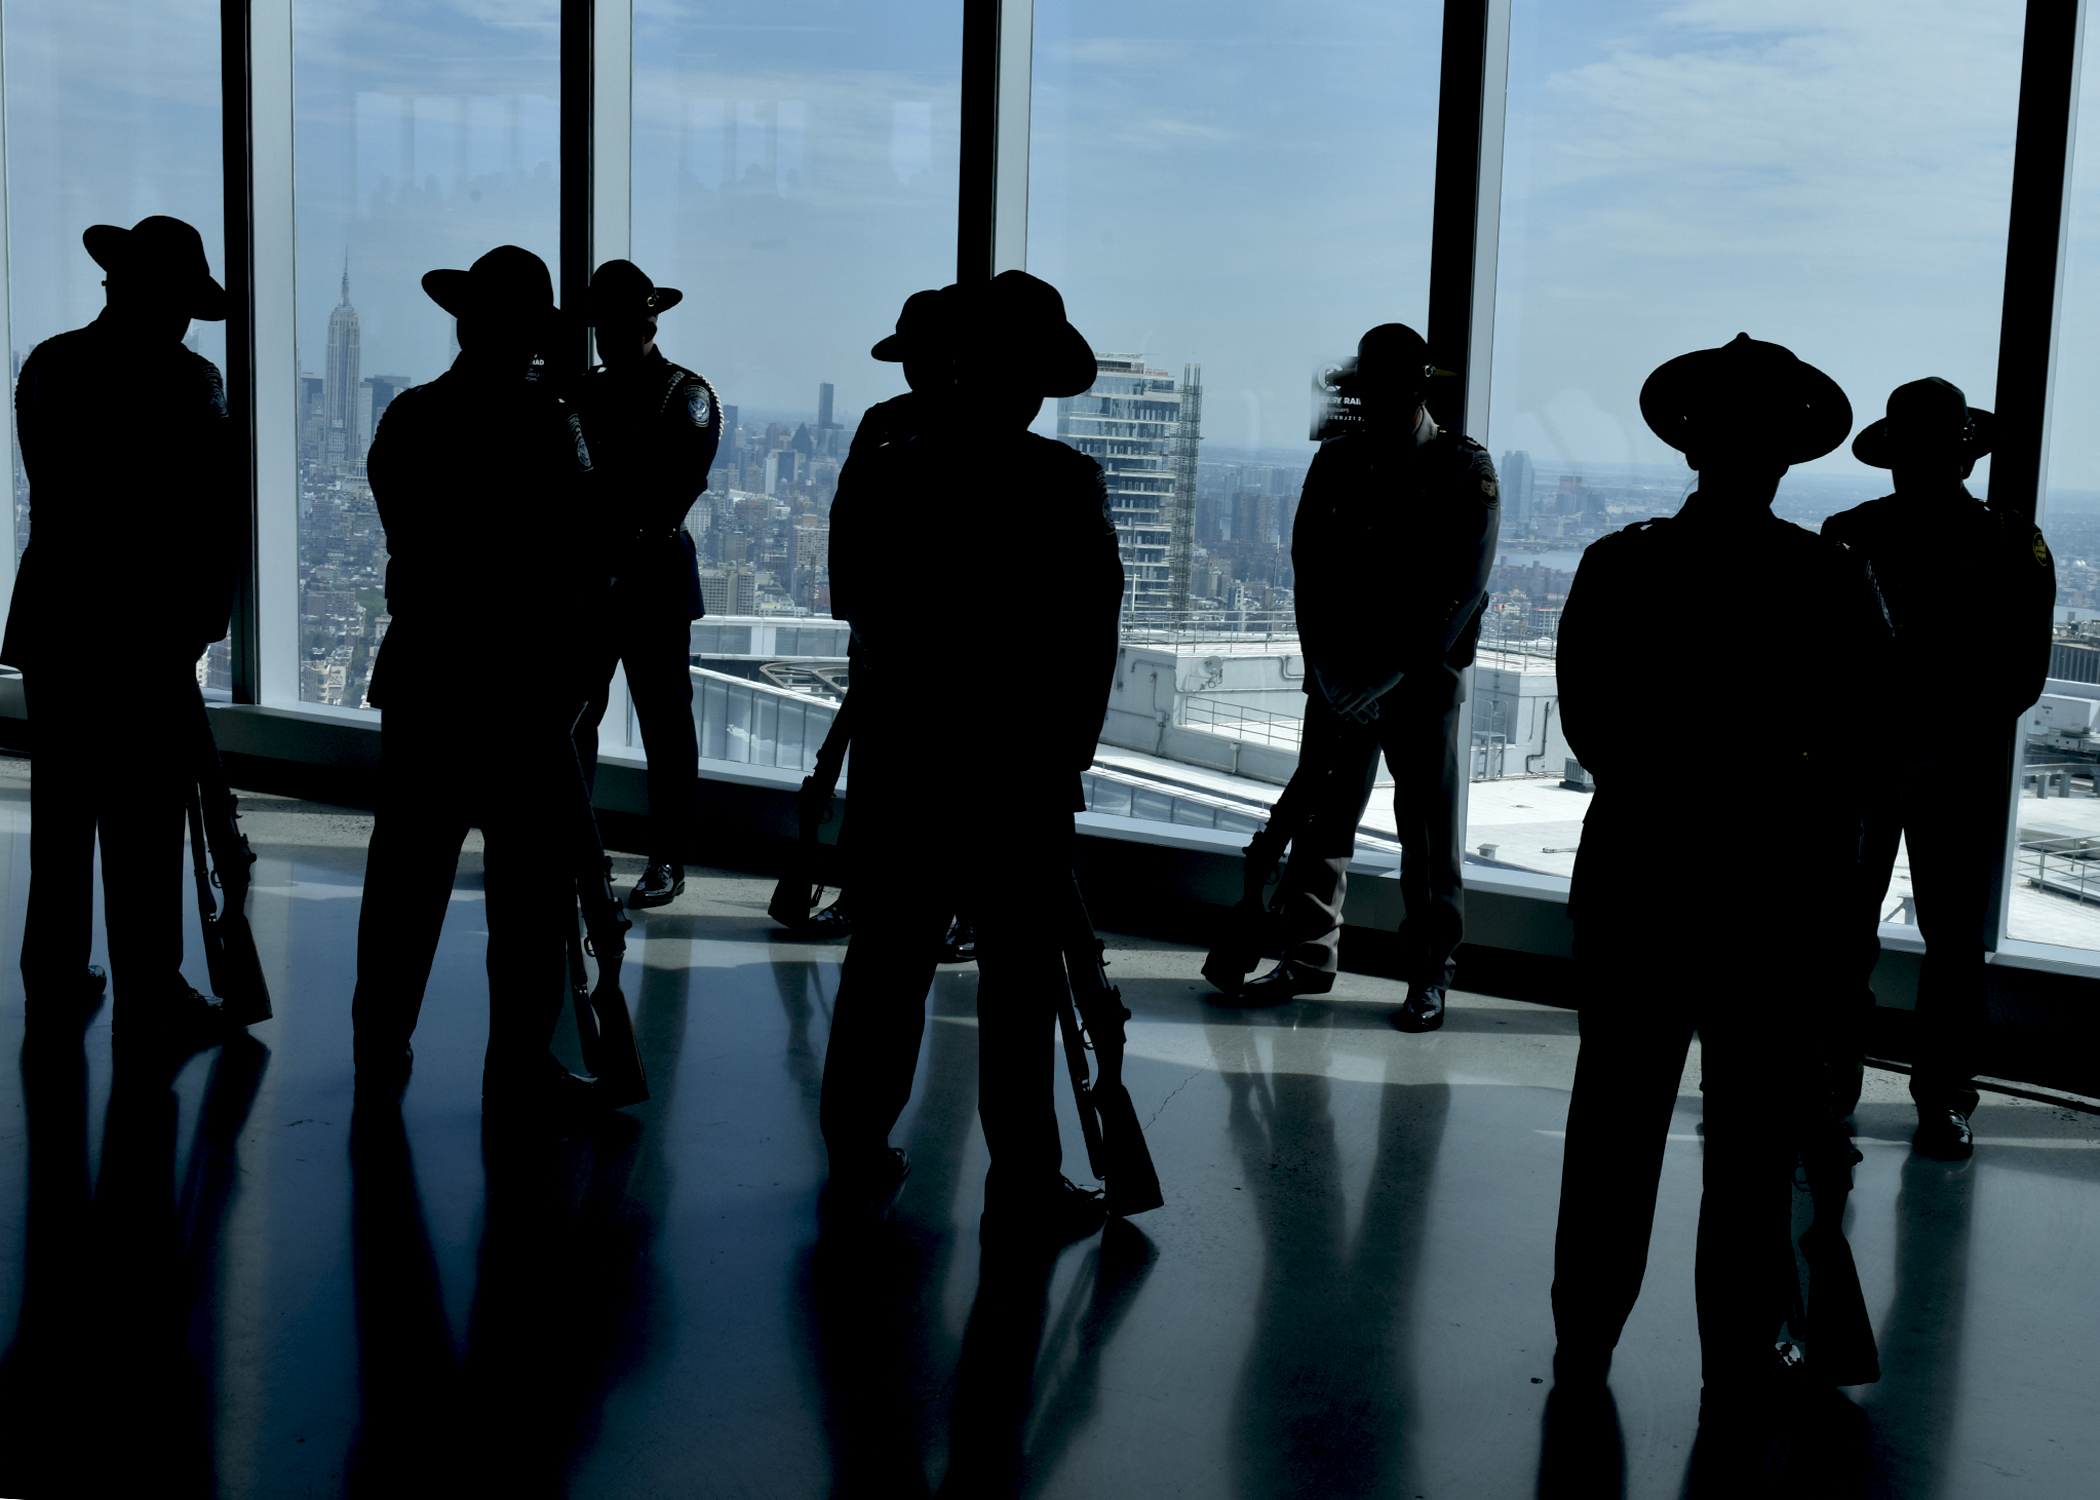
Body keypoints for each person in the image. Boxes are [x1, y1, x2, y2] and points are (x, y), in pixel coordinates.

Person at [1549, 333, 1886, 1406]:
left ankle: (1584, 1345)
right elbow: (1858, 760)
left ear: (1691, 450)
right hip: (1773, 904)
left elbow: (1595, 729)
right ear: (1788, 461)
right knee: (1750, 1149)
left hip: (1641, 883)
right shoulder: (1831, 582)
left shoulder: (1621, 564)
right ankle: (1734, 1359)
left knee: (1614, 1127)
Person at [817, 271, 1124, 1242]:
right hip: (1017, 774)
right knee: (1018, 987)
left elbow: (852, 597)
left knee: (886, 964)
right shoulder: (1064, 484)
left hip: (907, 759)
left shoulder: (889, 460)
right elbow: (1090, 646)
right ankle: (1023, 1179)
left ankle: (856, 1143)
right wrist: (1060, 758)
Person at [348, 246, 605, 1114]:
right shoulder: (553, 423)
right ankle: (519, 1063)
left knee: (403, 887)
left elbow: (406, 534)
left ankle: (379, 1045)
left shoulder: (411, 416)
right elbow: (583, 558)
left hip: (428, 675)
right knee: (529, 900)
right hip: (523, 690)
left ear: (462, 322)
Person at [4, 215, 243, 1037]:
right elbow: (212, 515)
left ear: (113, 283)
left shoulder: (47, 365)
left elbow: (50, 483)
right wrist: (200, 619)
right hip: (143, 626)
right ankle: (152, 984)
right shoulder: (189, 381)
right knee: (145, 819)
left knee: (63, 811)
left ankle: (55, 974)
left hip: (58, 614)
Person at [1236, 323, 1498, 1031]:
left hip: (1415, 687)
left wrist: (1378, 676)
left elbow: (1459, 591)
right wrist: (1324, 666)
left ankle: (1429, 976)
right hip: (1339, 680)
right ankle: (1306, 959)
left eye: (1389, 391)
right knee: (1322, 827)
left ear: (1415, 391)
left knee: (1426, 835)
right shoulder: (1338, 461)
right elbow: (1308, 572)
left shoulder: (1461, 467)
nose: (1375, 404)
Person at [1823, 378, 2055, 1158]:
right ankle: (1909, 1096)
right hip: (1920, 766)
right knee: (1878, 938)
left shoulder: (1859, 532)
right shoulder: (2005, 540)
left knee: (1919, 940)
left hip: (1904, 765)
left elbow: (2021, 673)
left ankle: (1874, 1088)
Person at [570, 259, 722, 909]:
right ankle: (574, 844)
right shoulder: (587, 391)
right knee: (576, 718)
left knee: (664, 724)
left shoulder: (685, 394)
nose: (610, 336)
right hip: (590, 576)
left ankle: (669, 858)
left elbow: (674, 491)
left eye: (622, 324)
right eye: (602, 326)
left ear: (650, 321)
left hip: (651, 576)